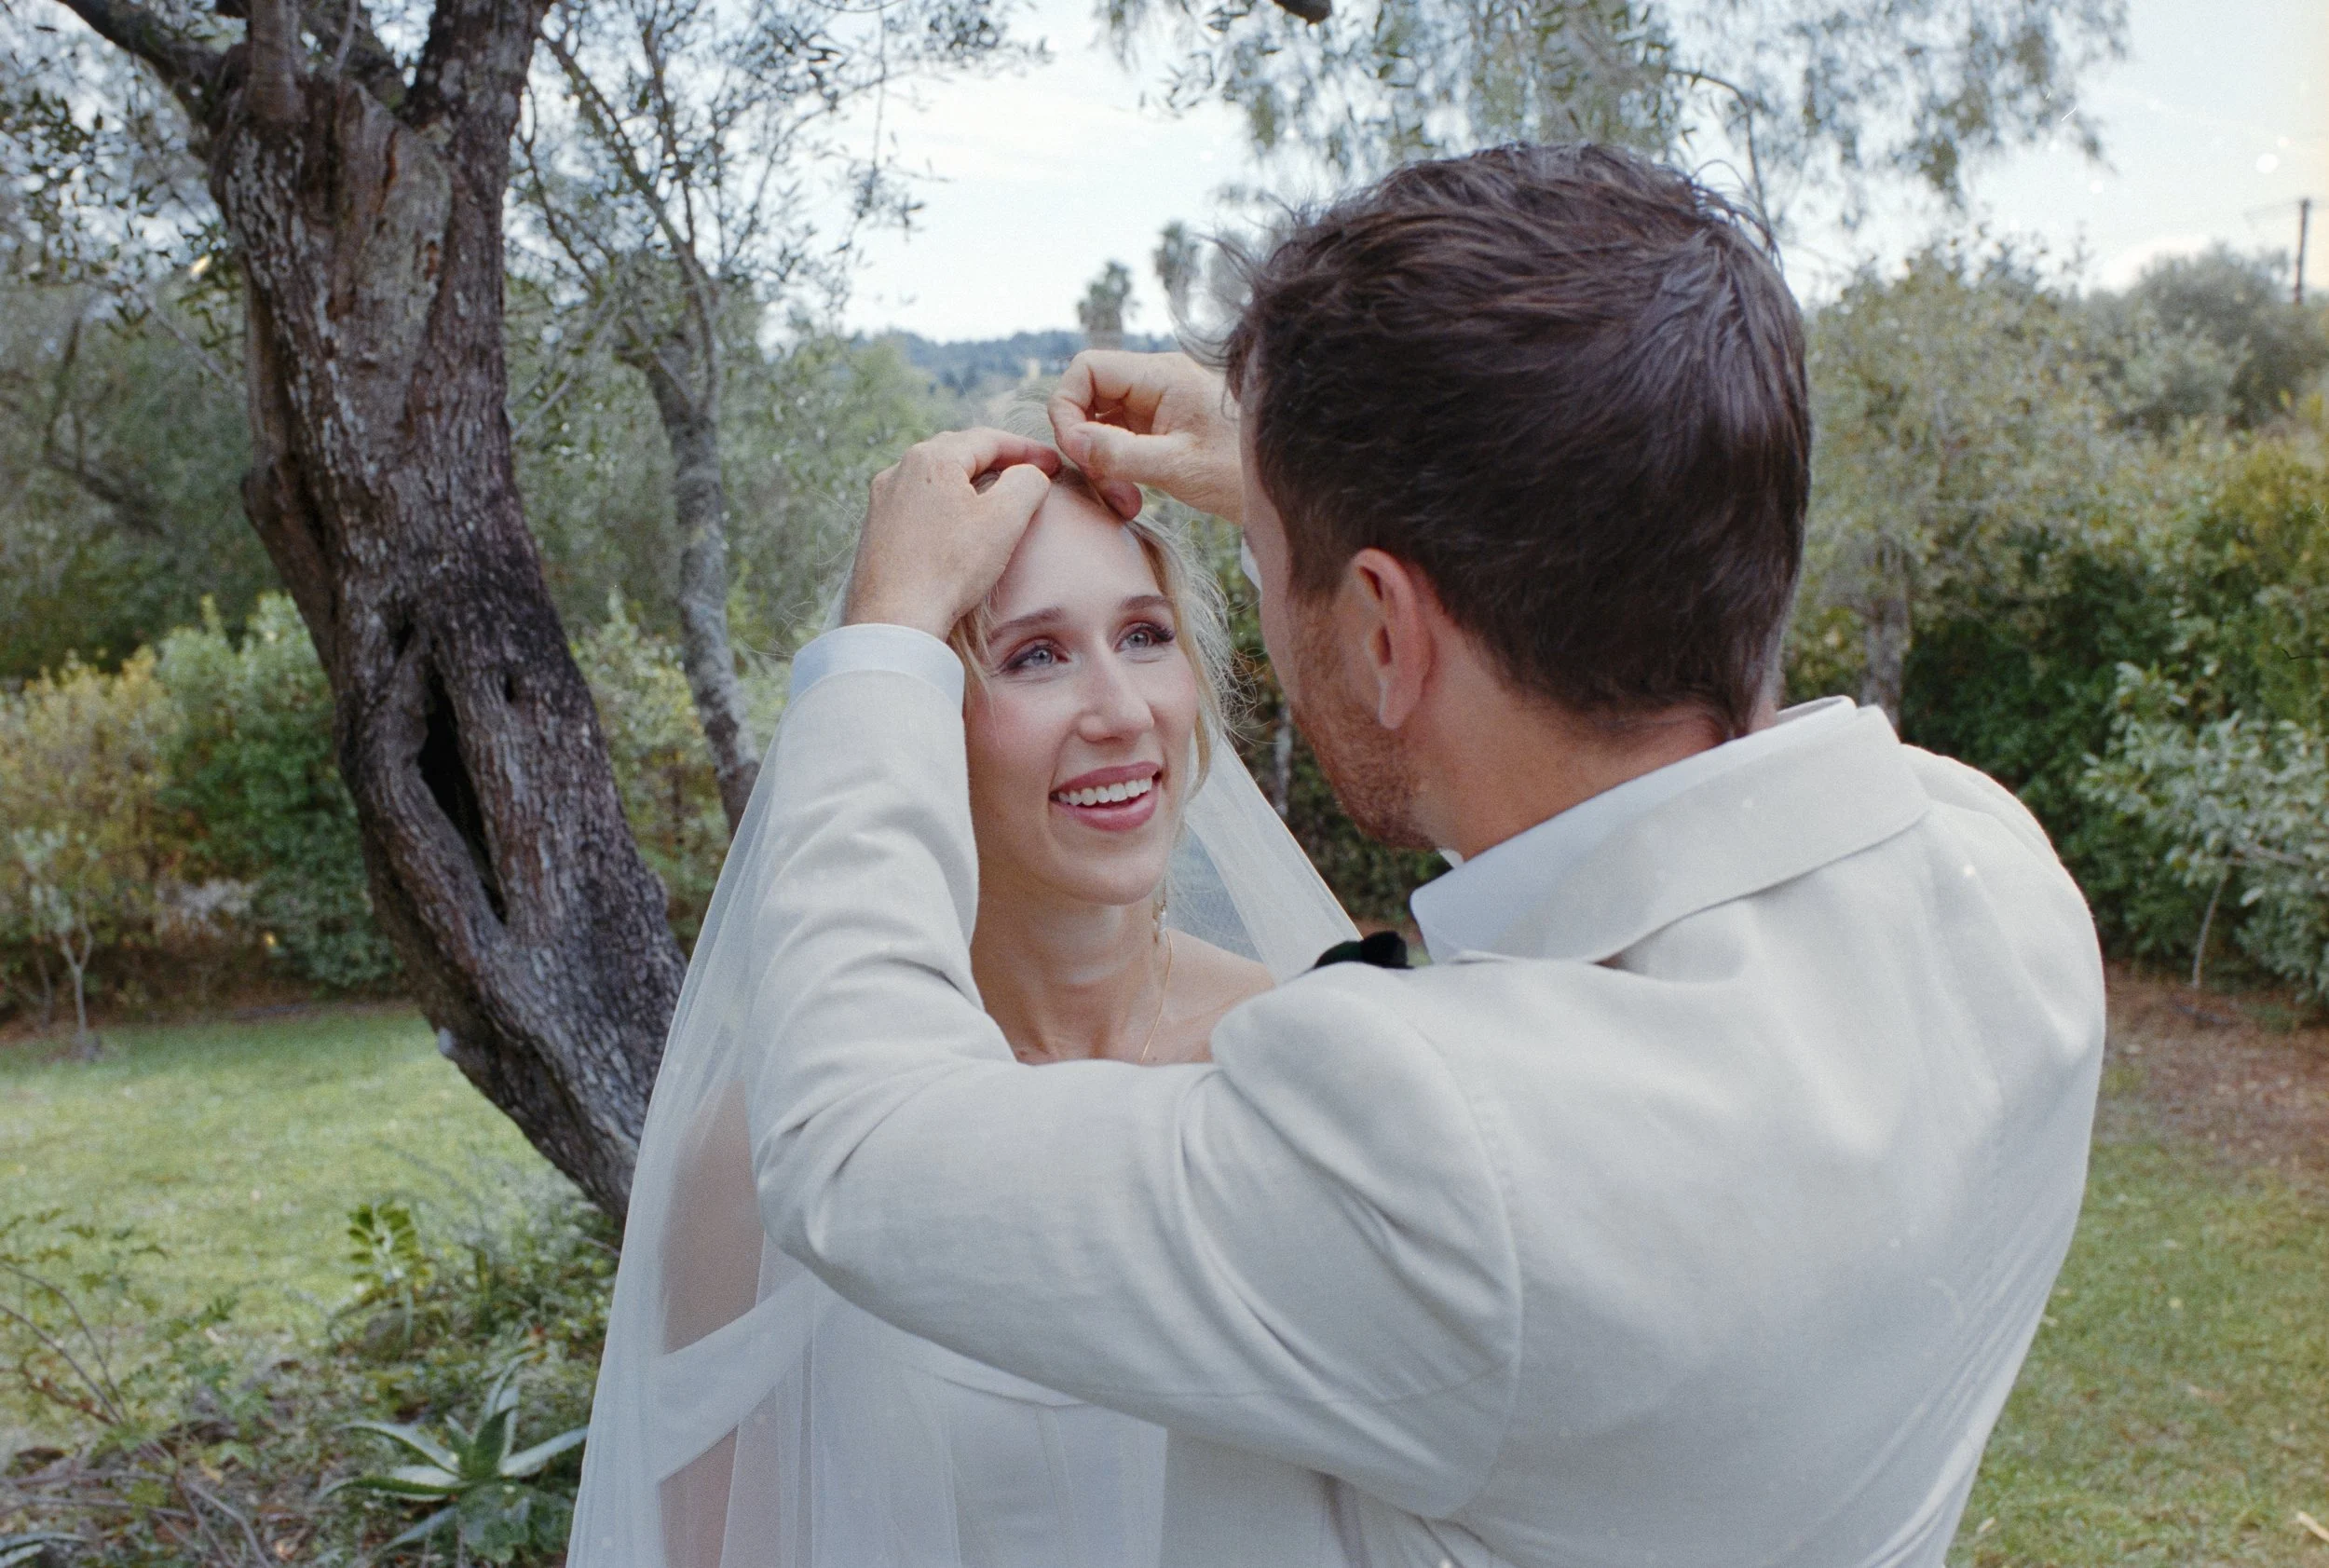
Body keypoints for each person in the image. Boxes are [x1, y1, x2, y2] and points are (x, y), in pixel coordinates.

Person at [623, 143, 2108, 1567]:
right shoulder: (2004, 893)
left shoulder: (1424, 1133)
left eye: (1255, 582)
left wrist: (884, 649)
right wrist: (1299, 473)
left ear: (1389, 630)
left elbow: (858, 1145)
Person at [569, 464, 1356, 1565]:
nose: (1122, 713)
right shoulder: (765, 1147)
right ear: (911, 719)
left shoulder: (1309, 1056)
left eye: (1144, 636)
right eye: (1036, 655)